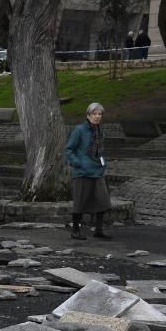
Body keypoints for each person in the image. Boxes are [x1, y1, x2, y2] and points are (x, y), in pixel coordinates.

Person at [65, 102, 112, 240]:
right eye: (94, 114)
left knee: (102, 200)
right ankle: (75, 230)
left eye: (99, 114)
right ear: (88, 115)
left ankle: (98, 230)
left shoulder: (100, 130)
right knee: (80, 202)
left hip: (97, 170)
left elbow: (100, 149)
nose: (97, 117)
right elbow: (69, 149)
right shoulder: (80, 130)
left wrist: (103, 163)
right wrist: (78, 163)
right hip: (82, 172)